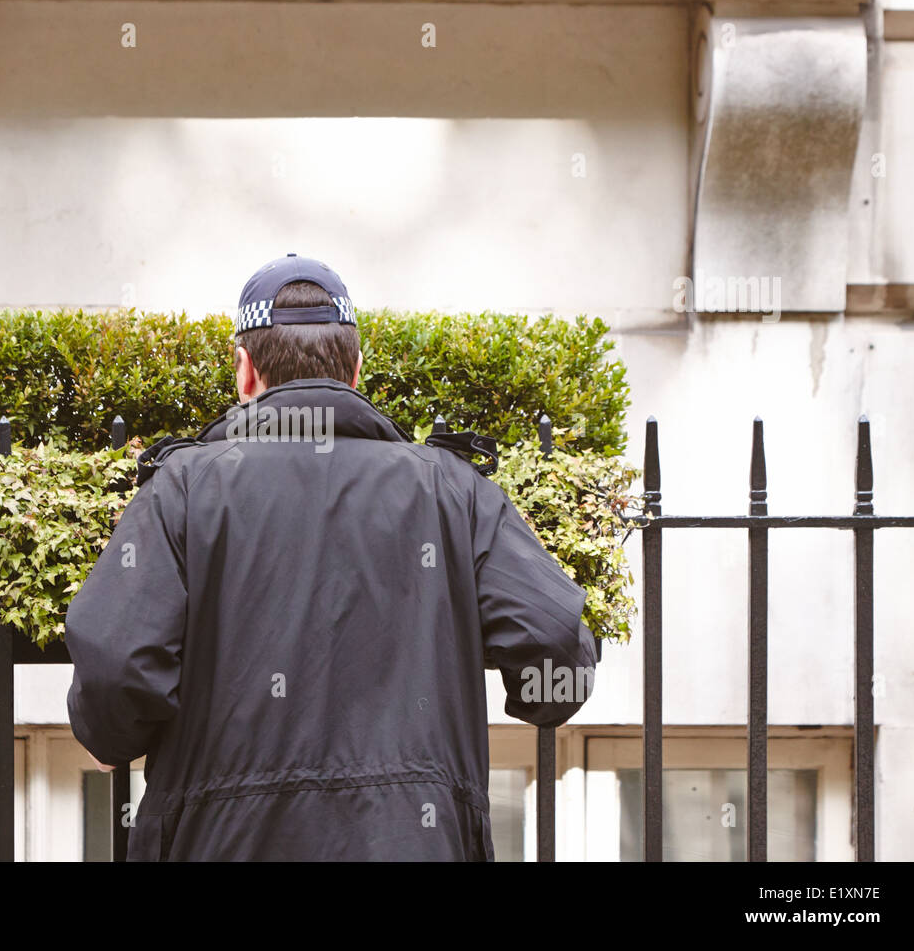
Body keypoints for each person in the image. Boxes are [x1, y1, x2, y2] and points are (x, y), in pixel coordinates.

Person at [64, 253, 598, 861]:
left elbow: (115, 668)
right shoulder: (453, 490)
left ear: (245, 372)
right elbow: (556, 656)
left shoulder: (183, 489)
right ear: (355, 371)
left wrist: (110, 734)